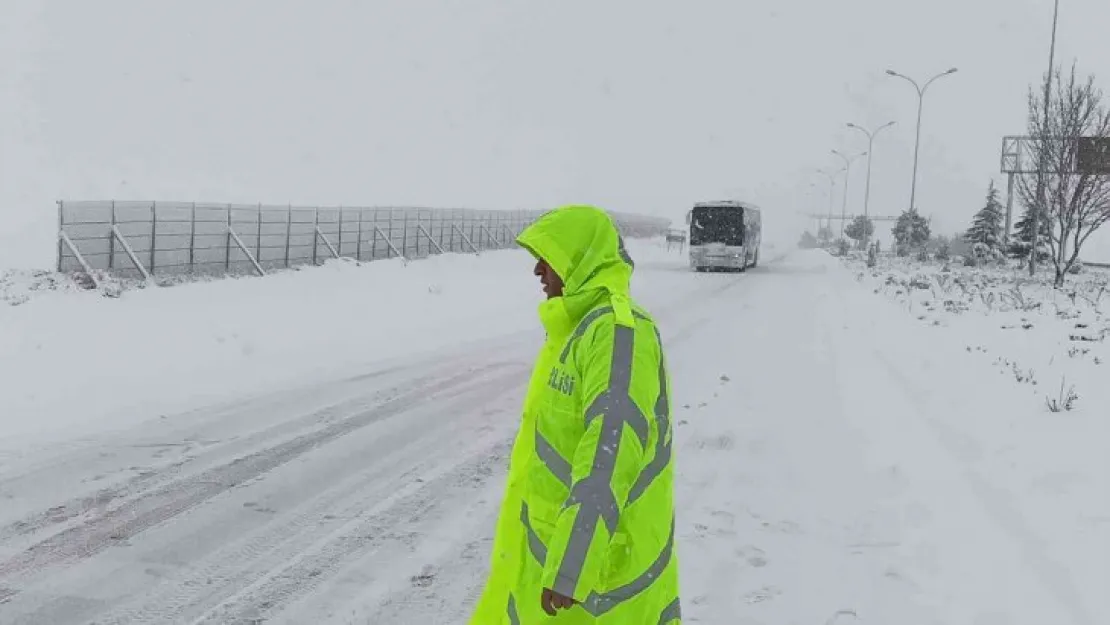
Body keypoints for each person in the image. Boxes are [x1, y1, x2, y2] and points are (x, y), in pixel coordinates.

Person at [469, 205, 681, 624]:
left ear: (580, 260)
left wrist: (573, 563)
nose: (537, 271)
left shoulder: (620, 332)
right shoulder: (576, 332)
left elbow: (612, 443)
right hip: (554, 565)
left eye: (548, 257)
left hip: (598, 581)